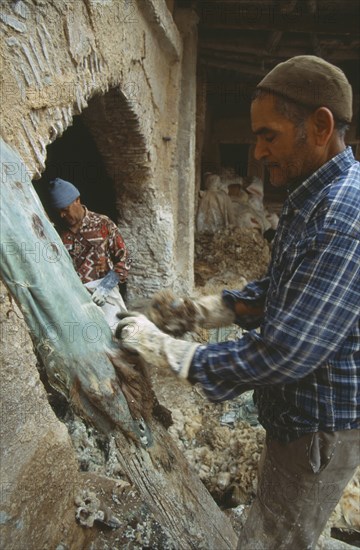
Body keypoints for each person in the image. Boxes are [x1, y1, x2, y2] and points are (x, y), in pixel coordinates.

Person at [116, 56, 360, 549]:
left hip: (320, 426)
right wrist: (202, 311)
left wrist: (166, 352)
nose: (258, 151)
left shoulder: (343, 214)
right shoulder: (310, 196)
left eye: (268, 135)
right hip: (298, 415)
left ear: (319, 125)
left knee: (269, 541)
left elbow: (287, 352)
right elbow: (282, 290)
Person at [48, 177, 131, 330]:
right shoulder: (56, 232)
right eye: (58, 211)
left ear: (77, 200)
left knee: (117, 338)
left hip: (105, 295)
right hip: (73, 300)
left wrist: (106, 286)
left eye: (65, 210)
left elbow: (125, 258)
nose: (62, 215)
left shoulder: (103, 224)